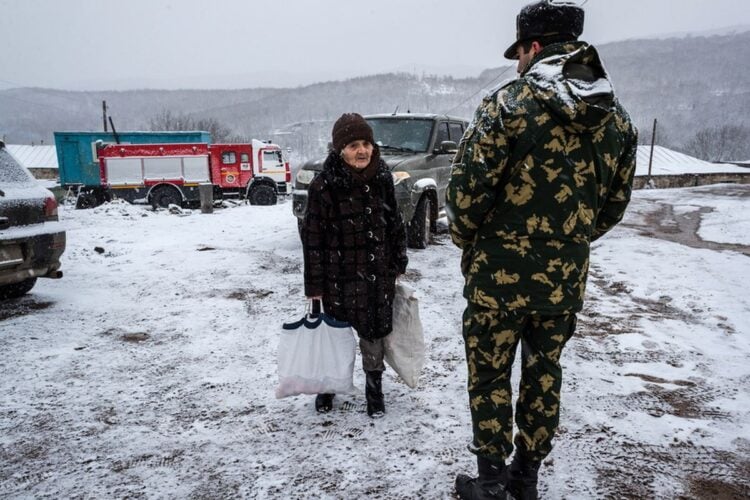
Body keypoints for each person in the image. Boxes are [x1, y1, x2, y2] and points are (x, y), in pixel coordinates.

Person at [446, 1, 638, 498]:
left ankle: (490, 482)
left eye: (519, 54)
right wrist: (566, 242)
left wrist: (476, 241)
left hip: (496, 278)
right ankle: (526, 477)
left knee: (489, 375)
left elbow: (464, 199)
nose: (518, 65)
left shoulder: (506, 106)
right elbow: (612, 208)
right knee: (544, 372)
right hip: (562, 281)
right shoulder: (616, 120)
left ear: (534, 47)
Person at [302, 113, 408, 418]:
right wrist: (315, 286)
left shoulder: (383, 178)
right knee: (334, 336)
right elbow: (313, 239)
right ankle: (327, 387)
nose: (362, 151)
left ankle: (374, 391)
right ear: (339, 150)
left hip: (376, 276)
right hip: (339, 276)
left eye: (366, 144)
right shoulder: (324, 186)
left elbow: (395, 225)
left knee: (373, 336)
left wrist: (398, 261)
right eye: (352, 145)